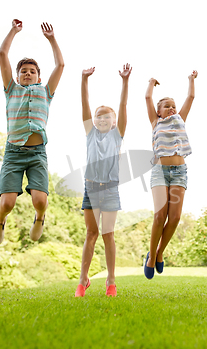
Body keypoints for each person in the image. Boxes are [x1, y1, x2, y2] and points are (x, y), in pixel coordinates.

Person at [0, 19, 64, 245]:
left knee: (40, 201)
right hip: (14, 152)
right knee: (7, 203)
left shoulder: (46, 92)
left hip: (37, 153)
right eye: (23, 71)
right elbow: (3, 54)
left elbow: (60, 66)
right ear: (17, 75)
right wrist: (13, 30)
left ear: (39, 77)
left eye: (32, 71)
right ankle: (0, 221)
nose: (27, 74)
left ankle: (40, 218)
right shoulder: (11, 90)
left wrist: (52, 40)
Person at [75, 64, 132, 298]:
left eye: (106, 116)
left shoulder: (117, 136)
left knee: (108, 233)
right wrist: (84, 80)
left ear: (113, 121)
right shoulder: (90, 134)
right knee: (91, 233)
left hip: (109, 189)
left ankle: (111, 281)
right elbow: (84, 105)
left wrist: (125, 82)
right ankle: (82, 281)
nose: (101, 118)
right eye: (98, 115)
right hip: (91, 187)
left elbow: (123, 106)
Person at [144, 71, 197, 279]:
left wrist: (191, 80)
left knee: (174, 217)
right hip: (159, 172)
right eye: (167, 106)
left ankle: (159, 252)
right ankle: (150, 257)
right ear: (158, 112)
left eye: (173, 105)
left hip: (179, 172)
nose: (172, 108)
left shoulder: (180, 119)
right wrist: (151, 83)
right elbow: (147, 98)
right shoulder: (155, 122)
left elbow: (191, 98)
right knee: (160, 215)